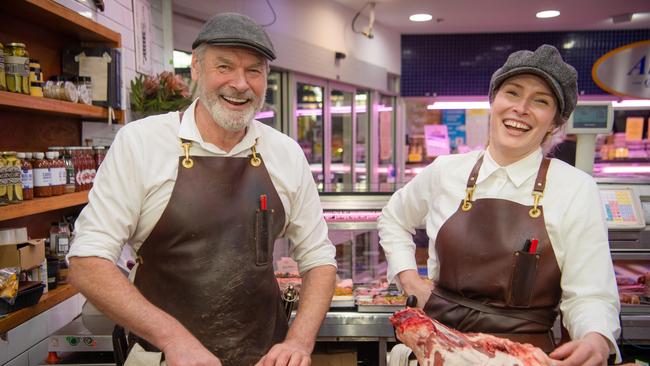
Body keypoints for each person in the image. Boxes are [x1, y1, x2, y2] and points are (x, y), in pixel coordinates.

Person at [67, 12, 337, 366]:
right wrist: (174, 339)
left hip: (263, 356)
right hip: (163, 356)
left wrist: (299, 341)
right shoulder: (143, 143)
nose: (240, 84)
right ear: (195, 68)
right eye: (224, 67)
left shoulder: (284, 153)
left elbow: (319, 259)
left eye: (253, 71)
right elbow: (87, 262)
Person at [378, 44, 620, 365]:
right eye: (512, 93)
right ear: (493, 101)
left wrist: (596, 336)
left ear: (554, 123)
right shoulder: (446, 171)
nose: (521, 108)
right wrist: (408, 277)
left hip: (522, 355)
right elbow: (393, 218)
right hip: (438, 346)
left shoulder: (576, 188)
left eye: (540, 101)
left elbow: (590, 293)